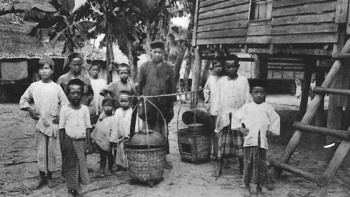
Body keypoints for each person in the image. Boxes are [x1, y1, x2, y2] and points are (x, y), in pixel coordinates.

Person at [19, 56, 69, 189]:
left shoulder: (56, 87)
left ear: (52, 71)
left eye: (47, 68)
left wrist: (60, 116)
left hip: (53, 122)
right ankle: (41, 176)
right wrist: (30, 109)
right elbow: (23, 99)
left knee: (52, 150)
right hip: (40, 122)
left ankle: (50, 176)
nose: (44, 71)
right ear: (38, 71)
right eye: (42, 68)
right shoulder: (34, 86)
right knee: (41, 150)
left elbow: (65, 103)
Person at [231, 79, 280, 197]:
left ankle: (259, 188)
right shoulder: (247, 107)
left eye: (261, 92)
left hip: (261, 142)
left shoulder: (268, 108)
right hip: (249, 140)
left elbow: (276, 119)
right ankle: (247, 186)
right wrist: (240, 128)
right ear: (251, 93)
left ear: (265, 93)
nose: (258, 95)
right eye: (256, 92)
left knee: (261, 165)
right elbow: (235, 117)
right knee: (248, 163)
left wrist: (271, 131)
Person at [137, 40, 176, 169]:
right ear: (151, 53)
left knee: (163, 132)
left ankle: (163, 159)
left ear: (164, 53)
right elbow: (139, 86)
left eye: (160, 52)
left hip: (164, 106)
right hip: (149, 105)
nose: (157, 54)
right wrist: (140, 101)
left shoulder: (169, 67)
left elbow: (172, 88)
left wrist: (171, 104)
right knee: (149, 131)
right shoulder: (144, 67)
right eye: (155, 52)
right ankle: (149, 158)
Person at [212, 54, 251, 178]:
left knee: (240, 143)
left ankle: (242, 166)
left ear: (238, 66)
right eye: (228, 67)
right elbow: (217, 99)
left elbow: (247, 99)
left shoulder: (243, 81)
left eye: (233, 66)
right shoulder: (222, 81)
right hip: (225, 116)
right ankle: (219, 166)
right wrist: (216, 114)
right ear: (225, 67)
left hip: (238, 116)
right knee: (222, 143)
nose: (231, 69)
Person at [59, 79, 92, 197]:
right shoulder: (64, 109)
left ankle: (77, 188)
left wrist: (88, 143)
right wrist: (62, 145)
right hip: (69, 142)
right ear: (68, 94)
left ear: (82, 94)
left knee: (81, 165)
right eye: (72, 93)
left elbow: (88, 127)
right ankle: (71, 189)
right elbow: (61, 128)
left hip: (81, 142)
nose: (75, 95)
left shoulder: (84, 109)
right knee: (70, 166)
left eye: (78, 92)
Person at [110, 90, 142, 171]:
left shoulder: (133, 111)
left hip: (129, 134)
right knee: (119, 149)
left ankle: (129, 165)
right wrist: (114, 134)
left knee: (128, 150)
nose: (123, 103)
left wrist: (134, 132)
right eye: (121, 101)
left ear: (130, 101)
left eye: (125, 101)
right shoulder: (117, 111)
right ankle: (119, 165)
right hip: (120, 134)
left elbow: (137, 123)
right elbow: (114, 123)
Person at [203, 55, 225, 159]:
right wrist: (207, 103)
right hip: (213, 109)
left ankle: (222, 155)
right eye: (216, 66)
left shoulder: (226, 79)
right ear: (213, 67)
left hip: (224, 110)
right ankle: (215, 153)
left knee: (222, 133)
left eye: (220, 66)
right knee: (214, 132)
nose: (218, 68)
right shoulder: (210, 79)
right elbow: (206, 90)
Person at [91, 96, 115, 177]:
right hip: (101, 138)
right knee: (102, 155)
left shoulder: (113, 118)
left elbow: (114, 130)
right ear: (102, 106)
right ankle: (102, 169)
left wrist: (112, 140)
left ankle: (110, 168)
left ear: (113, 107)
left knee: (109, 154)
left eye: (110, 106)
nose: (107, 107)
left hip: (108, 139)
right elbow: (99, 126)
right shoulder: (101, 116)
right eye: (105, 105)